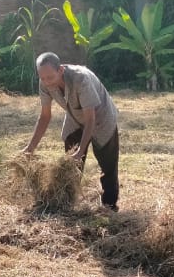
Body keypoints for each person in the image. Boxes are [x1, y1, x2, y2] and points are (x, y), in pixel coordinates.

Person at [22, 52, 120, 211]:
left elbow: (90, 120)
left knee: (108, 164)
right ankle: (67, 202)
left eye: (50, 77)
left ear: (60, 70)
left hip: (101, 118)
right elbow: (45, 116)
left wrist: (82, 149)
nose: (47, 82)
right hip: (75, 116)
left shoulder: (80, 79)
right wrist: (30, 148)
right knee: (70, 163)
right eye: (42, 78)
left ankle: (110, 206)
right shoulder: (45, 83)